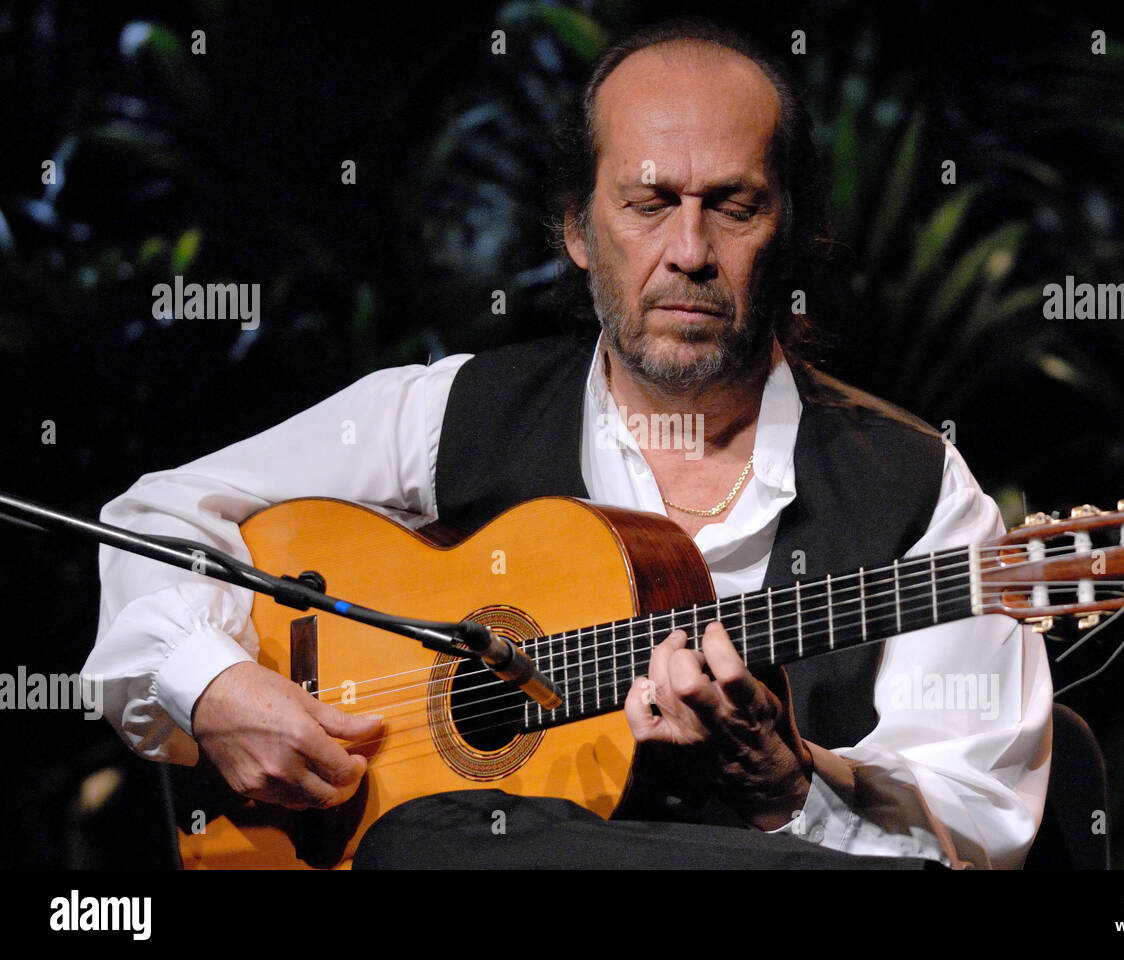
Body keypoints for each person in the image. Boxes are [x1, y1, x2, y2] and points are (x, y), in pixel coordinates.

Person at [86, 19, 1052, 869]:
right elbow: (154, 519)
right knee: (427, 841)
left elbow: (973, 831)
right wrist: (211, 686)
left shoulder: (919, 492)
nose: (689, 251)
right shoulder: (445, 413)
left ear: (793, 233)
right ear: (578, 230)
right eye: (647, 203)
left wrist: (788, 789)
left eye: (734, 204)